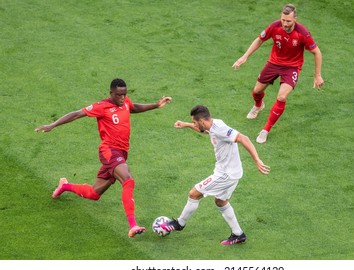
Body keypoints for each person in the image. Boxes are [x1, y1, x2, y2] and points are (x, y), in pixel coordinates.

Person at [35, 78, 172, 238]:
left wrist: (156, 105)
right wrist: (53, 125)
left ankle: (65, 186)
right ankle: (133, 225)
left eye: (124, 94)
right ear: (111, 93)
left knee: (94, 193)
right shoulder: (102, 106)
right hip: (109, 150)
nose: (122, 98)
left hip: (121, 153)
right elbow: (76, 114)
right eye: (119, 95)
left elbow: (132, 107)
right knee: (128, 180)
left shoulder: (125, 101)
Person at [160, 105, 270, 245]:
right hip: (232, 172)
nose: (194, 124)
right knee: (220, 201)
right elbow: (206, 132)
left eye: (194, 122)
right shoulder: (214, 124)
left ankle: (179, 224)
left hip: (226, 174)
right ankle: (238, 234)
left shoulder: (220, 129)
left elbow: (244, 138)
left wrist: (257, 160)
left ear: (203, 121)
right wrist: (187, 125)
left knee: (194, 194)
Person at [232, 3, 324, 143]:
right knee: (256, 91)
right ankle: (258, 106)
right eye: (283, 20)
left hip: (291, 68)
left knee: (281, 97)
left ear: (295, 19)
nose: (285, 23)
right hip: (274, 63)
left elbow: (317, 52)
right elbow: (259, 40)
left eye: (288, 21)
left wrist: (317, 75)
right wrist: (244, 56)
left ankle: (266, 130)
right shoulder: (274, 27)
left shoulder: (302, 33)